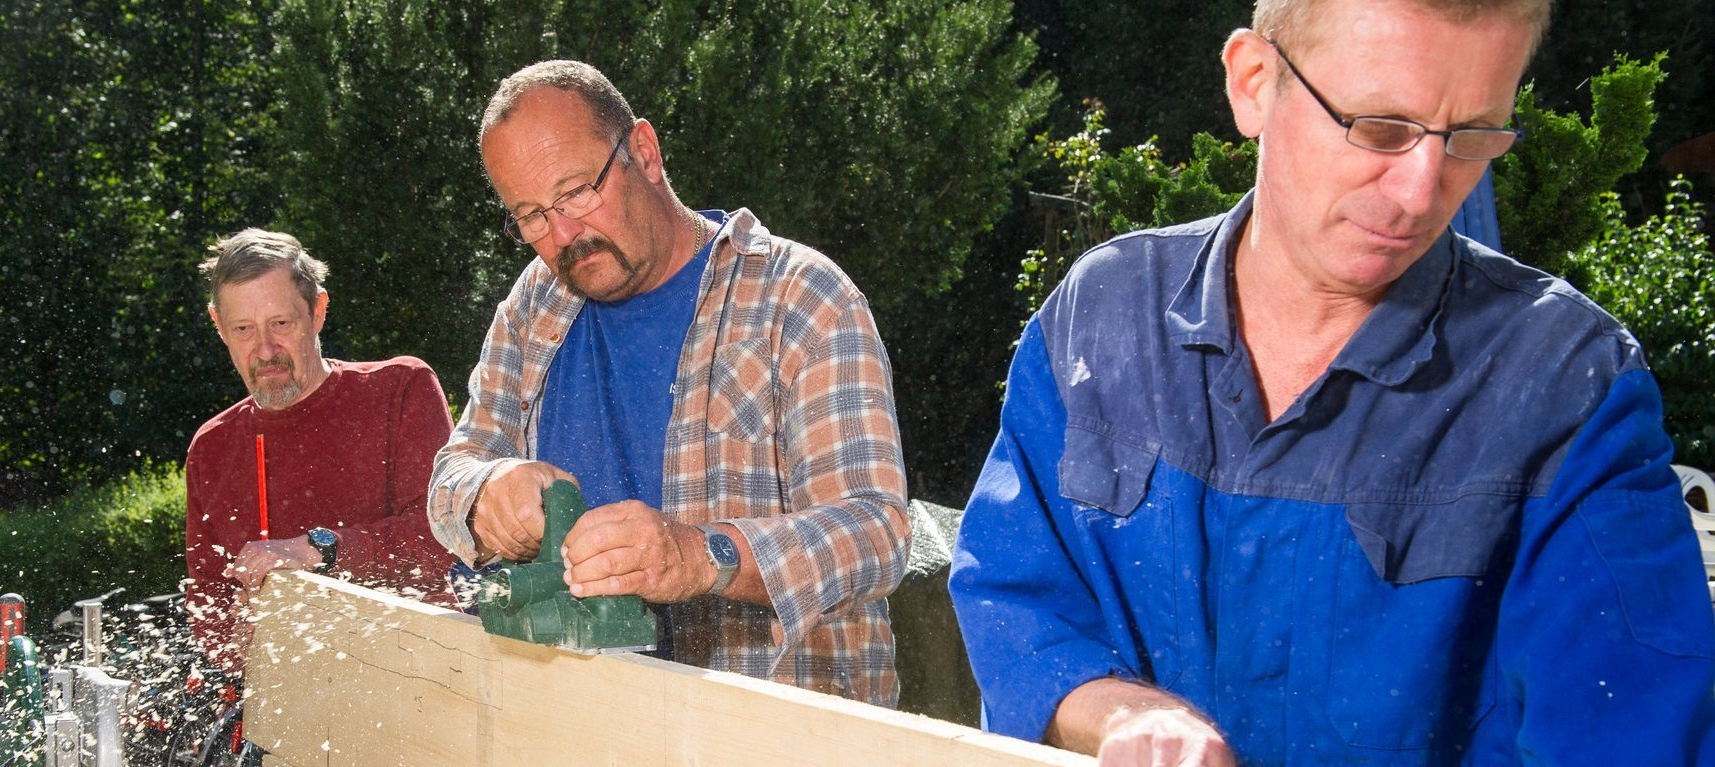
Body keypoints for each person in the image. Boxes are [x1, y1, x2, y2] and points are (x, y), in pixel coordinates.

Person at [949, 0, 1715, 763]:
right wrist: (1119, 713)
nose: (1421, 194)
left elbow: (1633, 737)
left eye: (1474, 137)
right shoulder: (1100, 317)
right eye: (1380, 127)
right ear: (1253, 82)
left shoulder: (1572, 391)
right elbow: (1017, 598)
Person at [427, 60, 910, 706]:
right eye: (532, 216)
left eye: (576, 193)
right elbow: (452, 471)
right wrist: (487, 493)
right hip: (570, 725)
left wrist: (701, 554)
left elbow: (876, 532)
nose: (563, 234)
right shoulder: (534, 307)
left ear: (646, 154)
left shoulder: (801, 299)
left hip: (769, 737)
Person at [185, 228, 458, 673]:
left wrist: (318, 550)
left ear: (318, 312)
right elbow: (208, 610)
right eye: (244, 330)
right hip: (283, 709)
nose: (266, 350)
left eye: (281, 324)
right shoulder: (211, 449)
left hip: (417, 682)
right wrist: (236, 638)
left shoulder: (401, 388)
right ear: (219, 328)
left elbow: (441, 539)